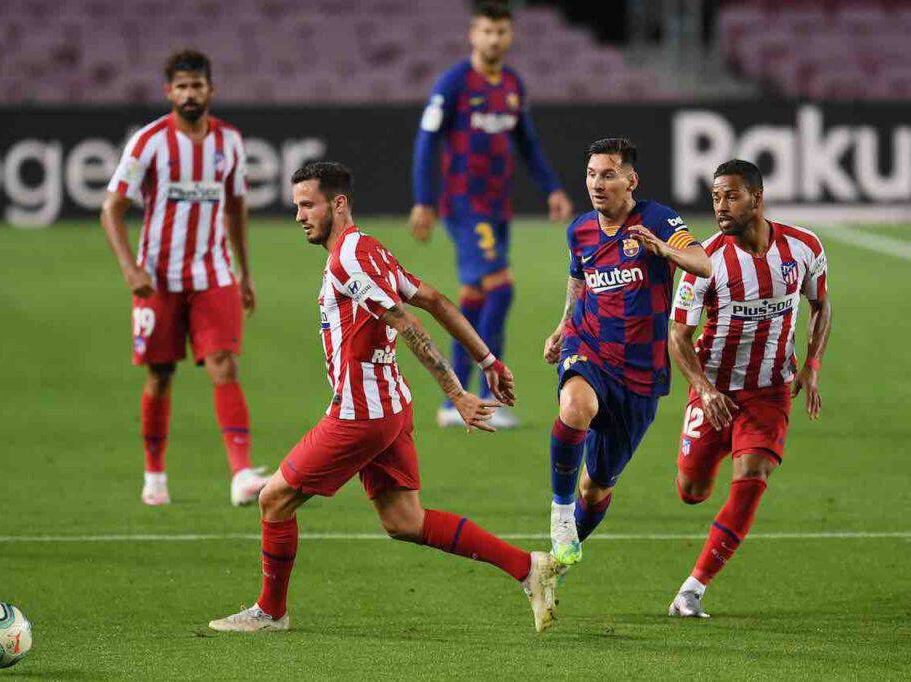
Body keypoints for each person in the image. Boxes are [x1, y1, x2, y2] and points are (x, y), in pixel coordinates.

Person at [209, 162, 563, 634]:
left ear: (338, 204)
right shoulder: (370, 248)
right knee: (404, 520)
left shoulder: (347, 261)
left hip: (360, 415)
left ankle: (271, 612)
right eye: (296, 206)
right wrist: (488, 362)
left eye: (307, 204)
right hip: (390, 407)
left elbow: (408, 322)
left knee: (274, 500)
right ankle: (528, 568)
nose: (299, 216)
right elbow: (434, 300)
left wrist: (457, 393)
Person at [100, 49, 268, 507]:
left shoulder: (229, 142)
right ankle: (155, 474)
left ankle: (241, 475)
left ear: (210, 90)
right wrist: (130, 269)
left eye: (197, 86)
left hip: (213, 274)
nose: (190, 94)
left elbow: (235, 208)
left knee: (224, 365)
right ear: (168, 92)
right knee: (159, 376)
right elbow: (112, 209)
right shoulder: (149, 142)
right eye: (182, 86)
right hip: (157, 278)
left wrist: (245, 273)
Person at [667, 160, 831, 618]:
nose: (721, 206)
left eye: (731, 196)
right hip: (714, 390)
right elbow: (678, 336)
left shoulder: (803, 248)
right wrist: (703, 387)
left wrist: (813, 364)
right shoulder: (705, 261)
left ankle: (692, 590)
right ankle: (717, 450)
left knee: (753, 476)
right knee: (691, 490)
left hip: (770, 389)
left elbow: (820, 304)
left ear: (757, 199)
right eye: (716, 197)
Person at [542, 138, 712, 569]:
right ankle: (560, 517)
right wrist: (564, 324)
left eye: (609, 174)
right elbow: (578, 278)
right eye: (592, 174)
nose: (597, 184)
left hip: (640, 371)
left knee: (595, 488)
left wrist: (663, 249)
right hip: (590, 344)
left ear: (631, 179)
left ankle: (558, 561)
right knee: (575, 406)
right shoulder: (579, 229)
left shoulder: (658, 218)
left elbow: (703, 262)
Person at [411, 1, 573, 429]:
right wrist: (424, 200)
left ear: (510, 35)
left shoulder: (513, 84)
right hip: (466, 205)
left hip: (498, 208)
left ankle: (454, 400)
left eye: (501, 32)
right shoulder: (454, 84)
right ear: (472, 35)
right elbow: (427, 141)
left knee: (476, 297)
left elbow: (529, 144)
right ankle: (487, 396)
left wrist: (552, 188)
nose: (494, 39)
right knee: (501, 290)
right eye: (486, 31)